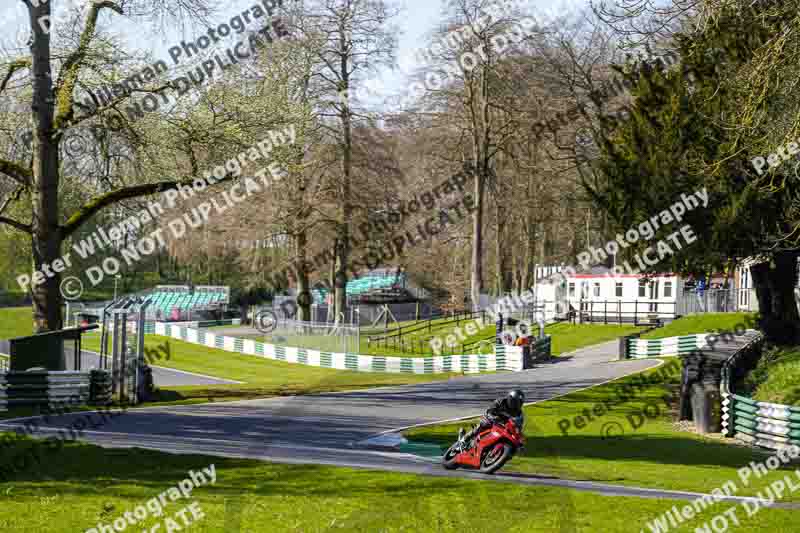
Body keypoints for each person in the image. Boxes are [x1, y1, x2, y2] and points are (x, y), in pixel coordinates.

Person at [458, 389, 526, 450]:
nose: (517, 404)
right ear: (510, 399)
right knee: (484, 424)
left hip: (503, 428)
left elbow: (518, 427)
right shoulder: (501, 402)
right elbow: (490, 410)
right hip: (491, 419)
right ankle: (464, 439)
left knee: (512, 445)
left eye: (519, 403)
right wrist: (494, 417)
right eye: (516, 402)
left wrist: (520, 441)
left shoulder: (519, 413)